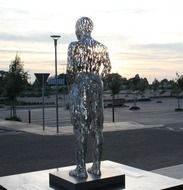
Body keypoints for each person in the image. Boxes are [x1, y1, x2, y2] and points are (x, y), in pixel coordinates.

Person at [66, 17, 111, 178]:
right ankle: (96, 167)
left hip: (81, 84)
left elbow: (70, 71)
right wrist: (97, 79)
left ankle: (81, 168)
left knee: (81, 128)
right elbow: (107, 68)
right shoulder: (101, 47)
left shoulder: (74, 46)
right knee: (98, 128)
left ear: (79, 29)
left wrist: (72, 89)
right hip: (97, 83)